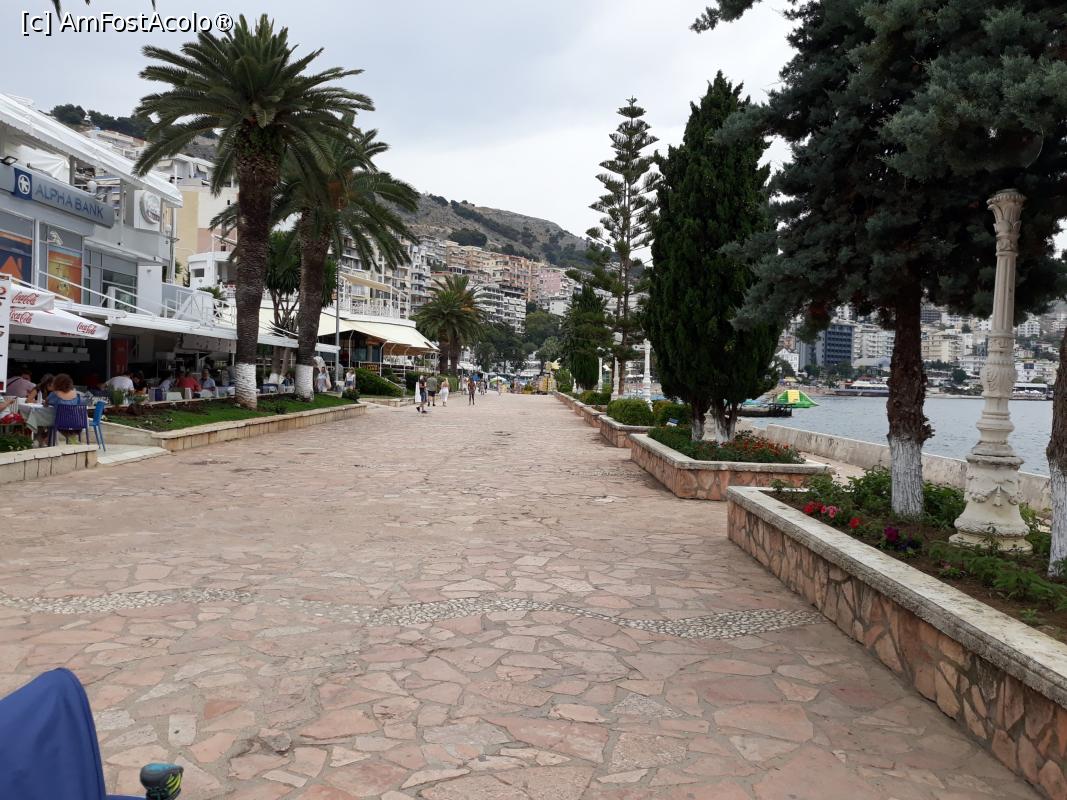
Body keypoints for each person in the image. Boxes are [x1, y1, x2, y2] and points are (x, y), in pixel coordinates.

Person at [47, 373, 84, 445]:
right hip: (77, 423)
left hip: (61, 423)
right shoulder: (76, 395)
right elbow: (81, 404)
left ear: (56, 383)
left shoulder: (54, 394)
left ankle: (45, 437)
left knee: (49, 421)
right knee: (68, 420)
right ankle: (72, 438)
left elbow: (46, 403)